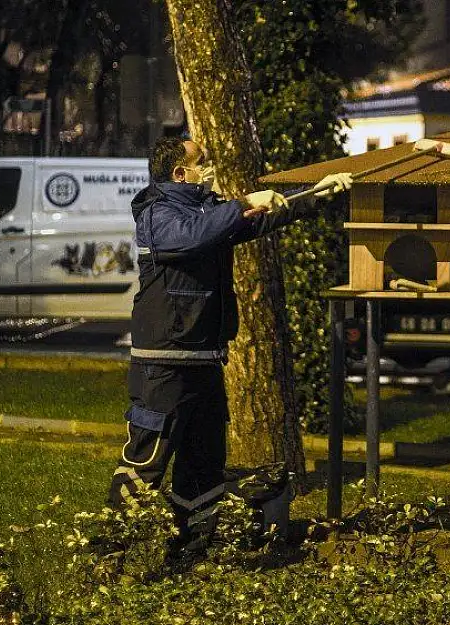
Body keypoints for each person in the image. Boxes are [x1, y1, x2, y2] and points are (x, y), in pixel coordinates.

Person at [106, 136, 352, 551]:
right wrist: (238, 205)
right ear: (179, 173)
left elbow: (256, 221)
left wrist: (316, 196)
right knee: (148, 457)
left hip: (204, 360)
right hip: (163, 363)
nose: (210, 169)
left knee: (204, 460)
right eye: (202, 163)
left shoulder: (207, 210)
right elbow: (193, 236)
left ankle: (193, 546)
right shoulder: (156, 213)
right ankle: (112, 549)